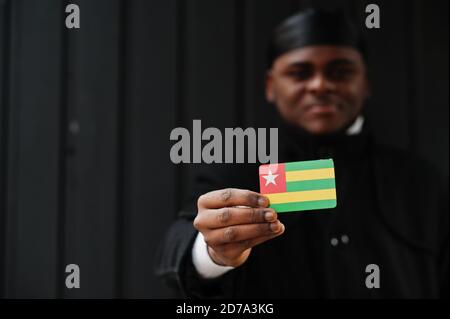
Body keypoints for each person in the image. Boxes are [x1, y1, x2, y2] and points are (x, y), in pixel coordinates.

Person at [155, 8, 448, 298]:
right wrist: (212, 251)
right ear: (271, 86)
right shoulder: (238, 170)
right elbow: (178, 242)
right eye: (300, 73)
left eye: (341, 72)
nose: (320, 85)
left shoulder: (421, 182)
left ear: (366, 82)